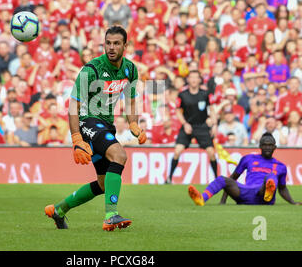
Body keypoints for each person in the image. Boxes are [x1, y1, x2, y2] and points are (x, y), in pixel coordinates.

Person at [45, 26, 146, 231]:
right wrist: (76, 138)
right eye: (108, 43)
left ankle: (58, 210)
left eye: (116, 43)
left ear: (125, 46)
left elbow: (131, 101)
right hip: (87, 121)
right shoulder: (91, 70)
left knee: (102, 183)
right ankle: (111, 215)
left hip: (106, 125)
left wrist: (133, 122)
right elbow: (73, 105)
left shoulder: (130, 69)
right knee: (119, 155)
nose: (111, 47)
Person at [188, 132, 302, 206]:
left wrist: (293, 202)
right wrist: (223, 200)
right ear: (260, 146)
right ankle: (201, 199)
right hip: (244, 193)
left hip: (262, 195)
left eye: (270, 145)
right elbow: (233, 179)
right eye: (264, 145)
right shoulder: (248, 158)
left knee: (271, 177)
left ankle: (268, 194)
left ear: (275, 147)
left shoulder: (281, 166)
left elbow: (282, 188)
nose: (267, 147)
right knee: (222, 179)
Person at [166, 70, 218, 184]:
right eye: (191, 77)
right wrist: (185, 124)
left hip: (202, 126)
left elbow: (213, 109)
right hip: (188, 126)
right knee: (177, 151)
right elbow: (178, 111)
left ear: (200, 80)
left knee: (211, 153)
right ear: (188, 80)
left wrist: (214, 125)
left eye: (196, 77)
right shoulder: (182, 94)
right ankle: (169, 178)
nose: (194, 80)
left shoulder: (205, 94)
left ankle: (216, 178)